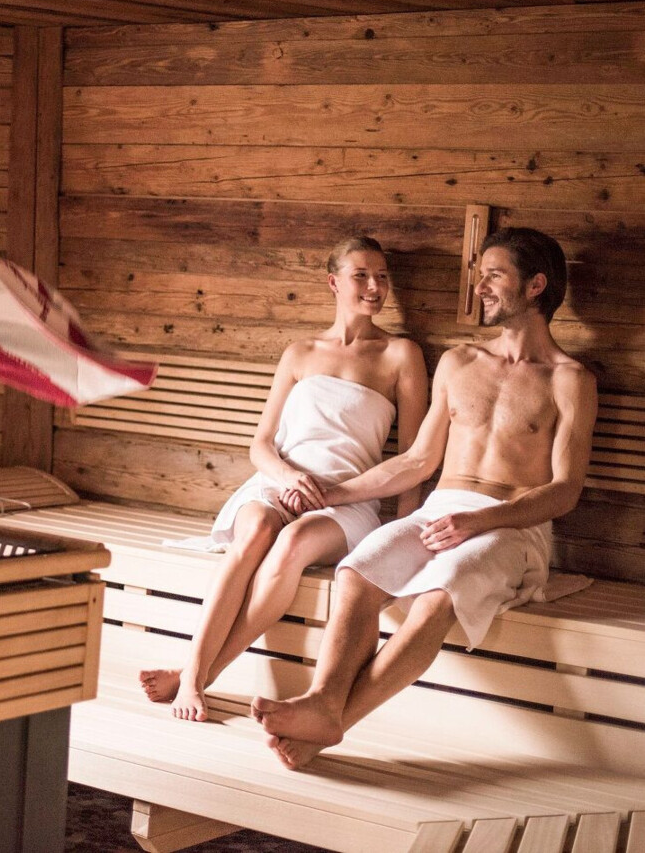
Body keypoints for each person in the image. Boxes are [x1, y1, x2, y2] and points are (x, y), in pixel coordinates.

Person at [253, 227, 597, 771]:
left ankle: (334, 725)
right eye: (478, 274)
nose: (480, 287)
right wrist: (335, 494)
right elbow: (416, 461)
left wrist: (481, 520)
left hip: (512, 527)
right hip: (441, 511)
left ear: (536, 285)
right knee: (356, 572)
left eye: (493, 275)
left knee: (441, 591)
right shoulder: (459, 363)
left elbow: (565, 491)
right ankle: (321, 701)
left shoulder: (569, 380)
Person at [139, 237, 428, 721]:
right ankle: (191, 673)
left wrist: (405, 536)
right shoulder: (299, 352)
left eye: (382, 276)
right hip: (280, 483)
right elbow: (261, 444)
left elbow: (414, 459)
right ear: (333, 282)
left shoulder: (401, 355)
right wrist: (290, 477)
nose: (375, 287)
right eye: (362, 275)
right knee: (255, 531)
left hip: (347, 501)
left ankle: (200, 677)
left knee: (292, 543)